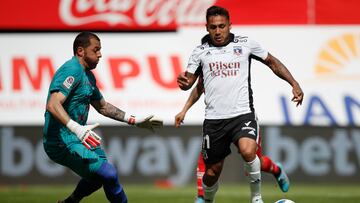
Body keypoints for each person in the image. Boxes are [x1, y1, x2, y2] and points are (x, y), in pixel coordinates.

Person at [177, 5, 303, 203]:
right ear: (206, 28)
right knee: (212, 172)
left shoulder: (246, 44)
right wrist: (184, 87)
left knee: (248, 151)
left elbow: (272, 62)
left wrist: (294, 83)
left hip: (243, 114)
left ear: (229, 25)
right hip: (214, 120)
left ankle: (256, 198)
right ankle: (207, 199)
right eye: (213, 27)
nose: (218, 31)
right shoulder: (200, 53)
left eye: (222, 26)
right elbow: (193, 83)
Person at [43, 31, 163, 203]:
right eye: (96, 49)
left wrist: (134, 120)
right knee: (109, 173)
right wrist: (77, 128)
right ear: (80, 51)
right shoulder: (72, 69)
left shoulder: (88, 76)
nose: (100, 54)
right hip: (61, 141)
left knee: (101, 177)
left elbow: (103, 106)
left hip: (77, 137)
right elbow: (53, 104)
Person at [175, 77, 290, 203]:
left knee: (254, 161)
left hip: (241, 118)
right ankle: (202, 197)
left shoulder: (237, 61)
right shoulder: (208, 60)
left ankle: (275, 169)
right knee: (209, 159)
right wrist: (184, 110)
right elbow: (199, 86)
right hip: (217, 121)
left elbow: (266, 60)